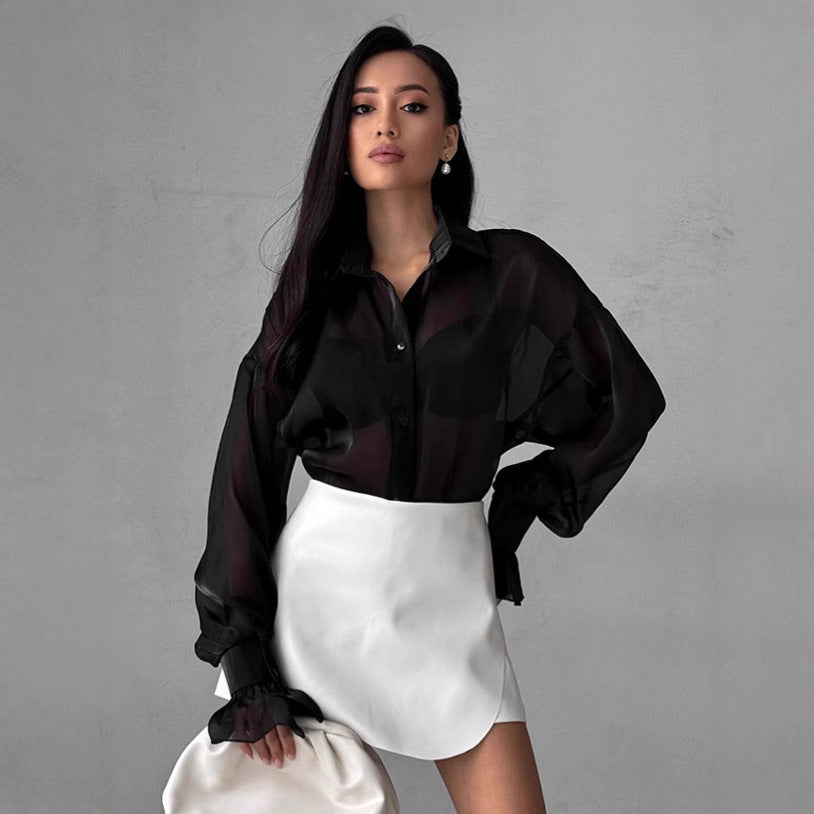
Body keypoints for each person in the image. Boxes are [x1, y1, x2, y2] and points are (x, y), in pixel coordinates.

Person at [170, 24, 666, 814]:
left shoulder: (514, 275)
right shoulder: (309, 299)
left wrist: (520, 504)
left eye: (412, 105)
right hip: (319, 607)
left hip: (449, 600)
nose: (386, 125)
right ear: (342, 141)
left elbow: (627, 398)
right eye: (363, 108)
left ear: (449, 137)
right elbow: (247, 476)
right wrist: (244, 655)